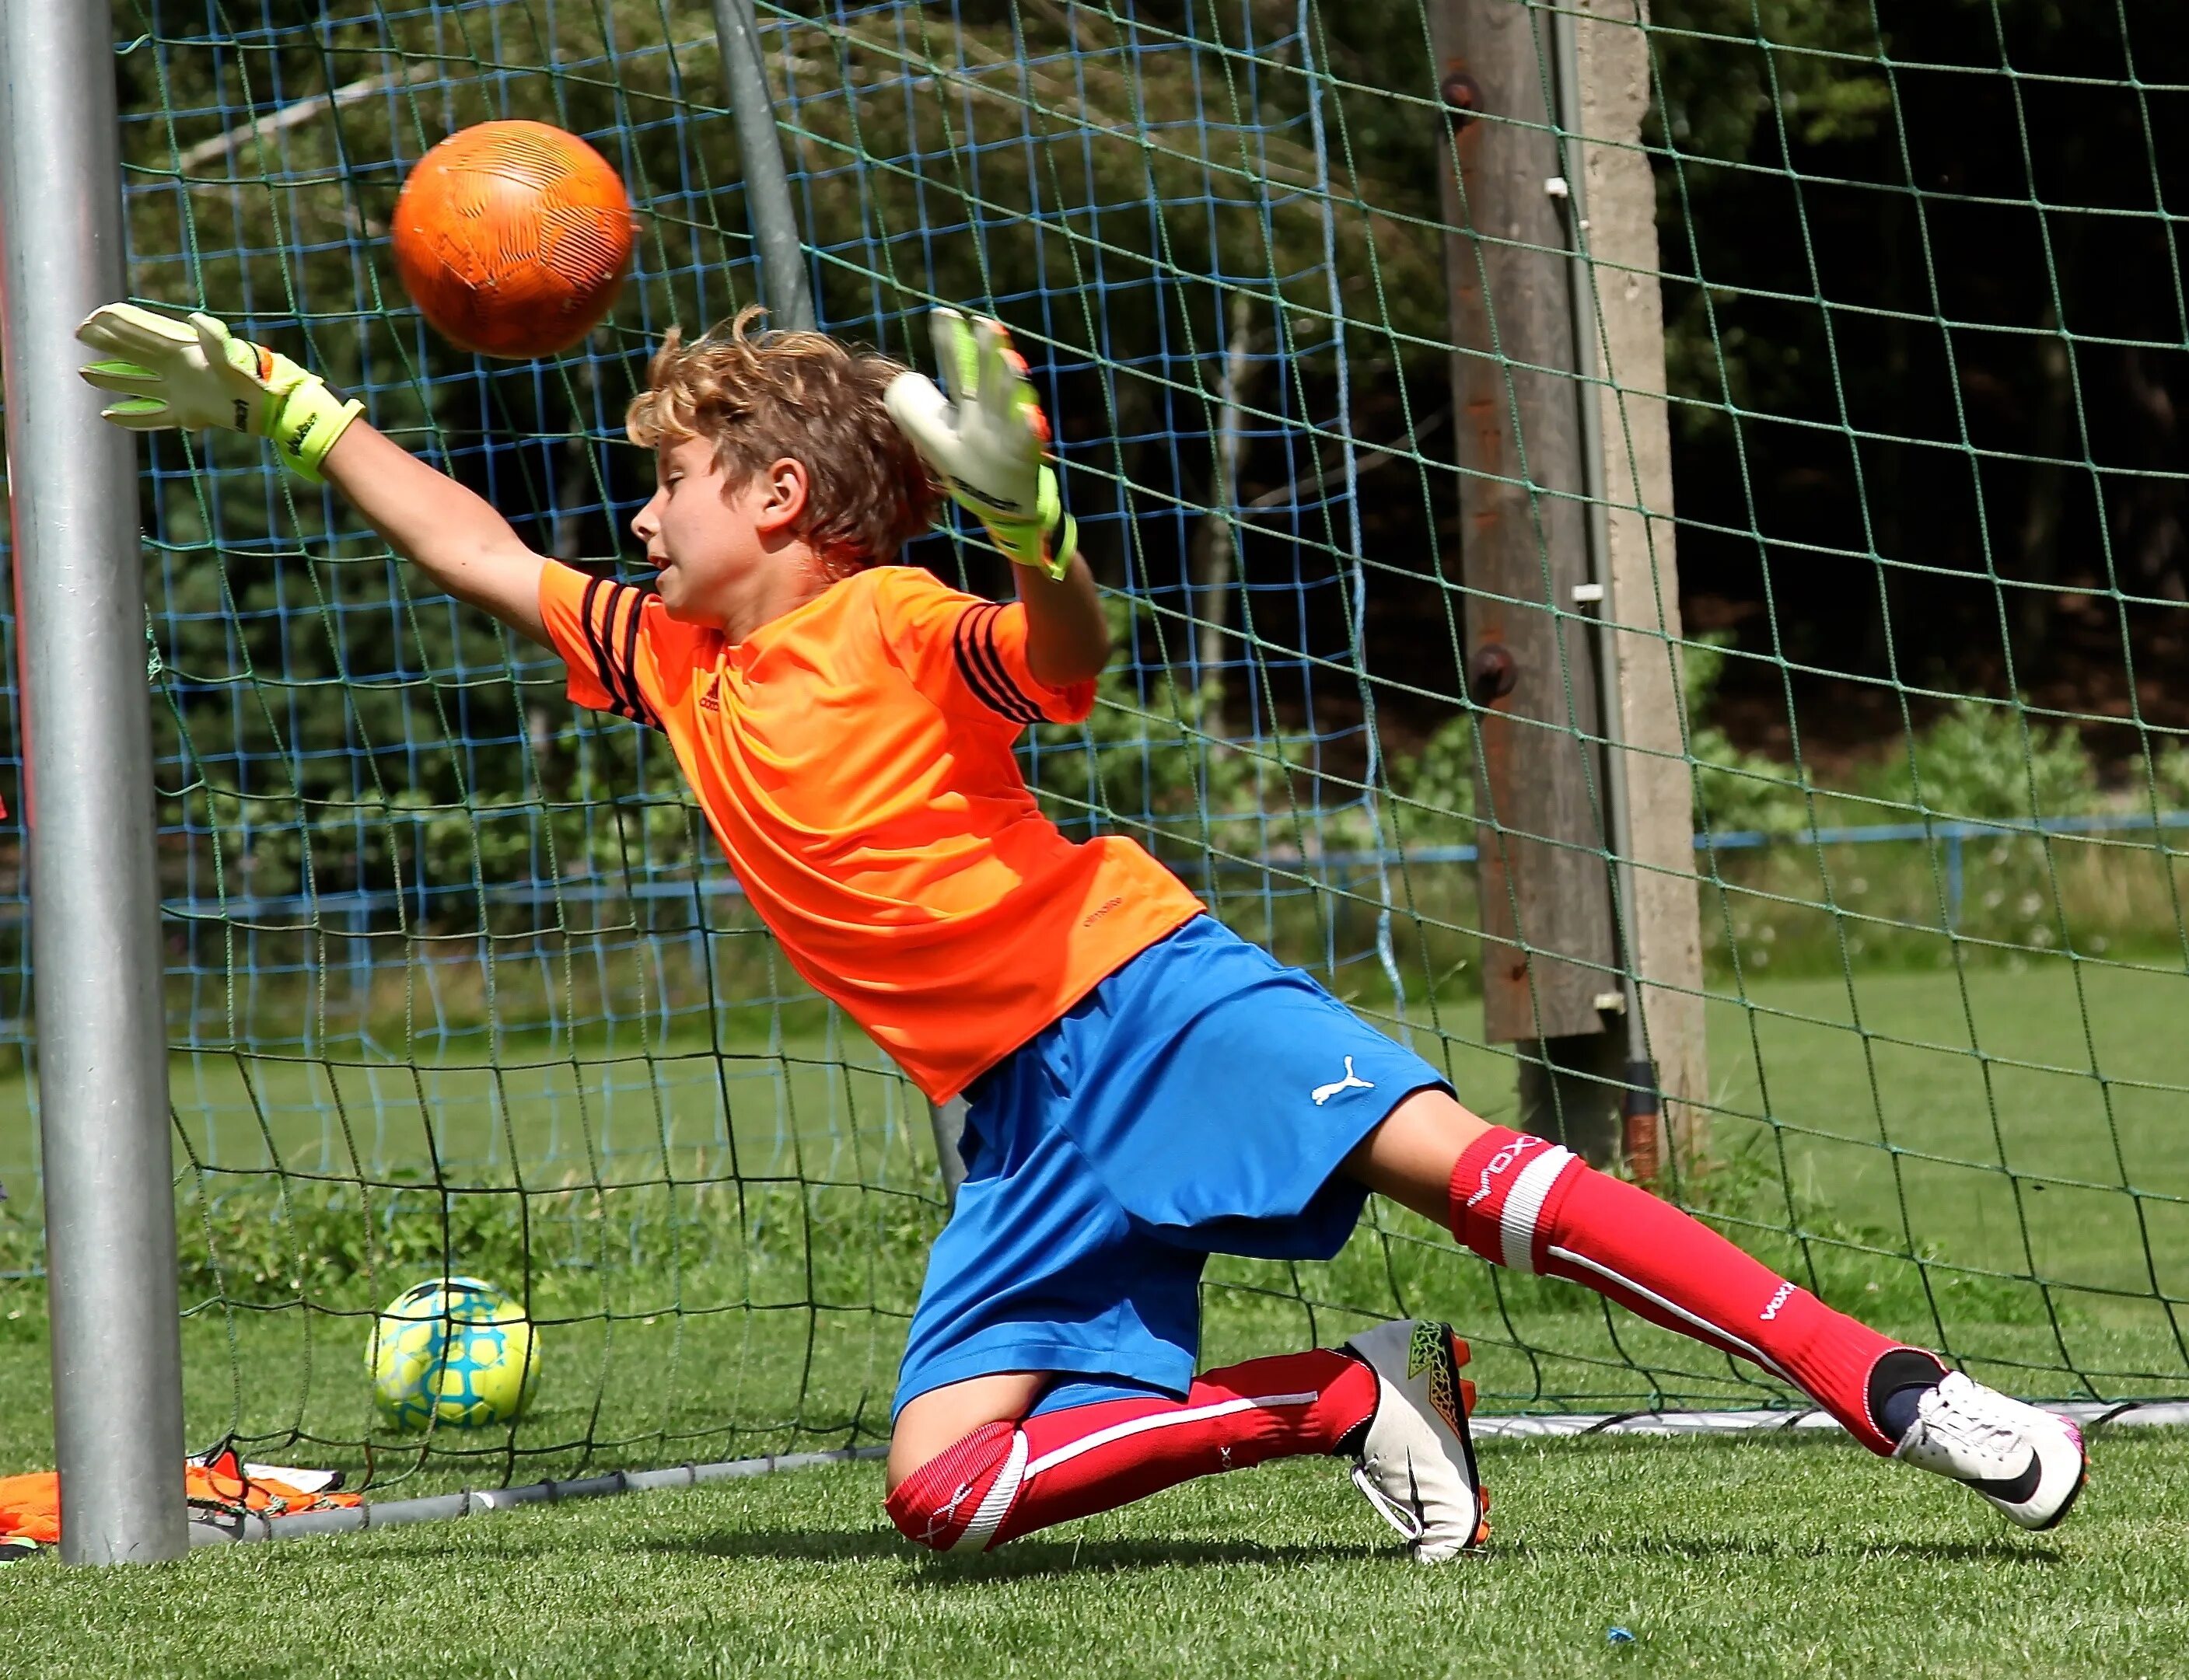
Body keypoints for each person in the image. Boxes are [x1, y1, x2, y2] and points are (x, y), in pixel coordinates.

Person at [73, 299, 2088, 1562]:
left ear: (779, 493)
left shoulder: (892, 618)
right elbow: (477, 549)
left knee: (1473, 1167)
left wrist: (1037, 526)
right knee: (943, 1492)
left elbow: (1061, 654)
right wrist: (280, 399)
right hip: (1013, 1122)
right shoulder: (669, 659)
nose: (643, 519)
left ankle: (1888, 1380)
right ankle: (1340, 1396)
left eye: (672, 482)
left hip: (1139, 991)